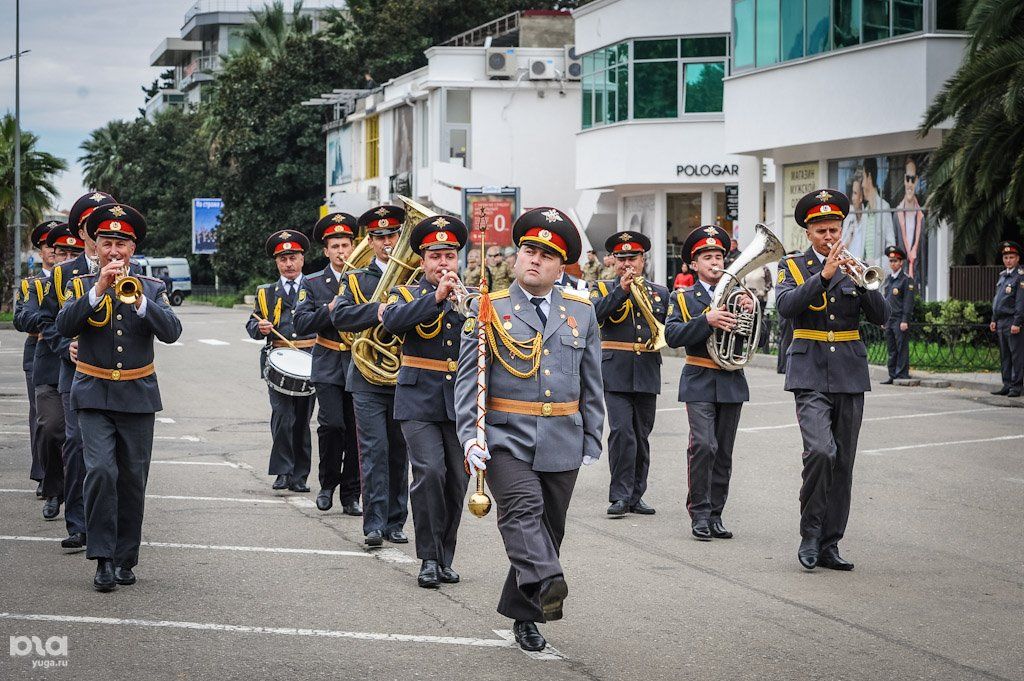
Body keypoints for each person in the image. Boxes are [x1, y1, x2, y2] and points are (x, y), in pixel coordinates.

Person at [457, 207, 604, 653]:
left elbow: (592, 379)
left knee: (547, 530)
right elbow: (469, 381)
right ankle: (547, 582)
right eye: (527, 251)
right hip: (506, 436)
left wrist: (594, 436)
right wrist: (470, 435)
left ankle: (524, 614)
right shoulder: (490, 308)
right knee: (522, 512)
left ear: (562, 266)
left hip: (563, 433)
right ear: (517, 258)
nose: (534, 259)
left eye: (546, 254)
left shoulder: (581, 312)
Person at [55, 203, 182, 592]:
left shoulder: (153, 287)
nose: (114, 252)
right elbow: (64, 325)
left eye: (121, 245)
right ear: (95, 247)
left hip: (138, 396)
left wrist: (140, 301)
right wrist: (98, 290)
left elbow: (172, 331)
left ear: (132, 250)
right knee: (100, 472)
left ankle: (126, 557)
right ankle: (102, 558)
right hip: (92, 394)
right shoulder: (81, 287)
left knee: (131, 479)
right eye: (107, 243)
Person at [776, 189, 888, 571]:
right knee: (821, 452)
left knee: (844, 463)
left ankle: (830, 543)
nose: (829, 236)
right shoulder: (791, 267)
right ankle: (809, 533)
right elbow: (786, 308)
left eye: (834, 229)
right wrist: (822, 277)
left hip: (849, 374)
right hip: (808, 372)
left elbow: (881, 316)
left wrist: (861, 283)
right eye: (821, 230)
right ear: (808, 233)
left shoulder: (857, 266)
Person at [381, 215, 471, 589]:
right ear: (422, 261)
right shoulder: (405, 295)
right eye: (435, 256)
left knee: (456, 482)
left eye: (449, 255)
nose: (443, 264)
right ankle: (428, 558)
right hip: (417, 400)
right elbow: (392, 324)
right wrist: (435, 298)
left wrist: (467, 308)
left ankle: (445, 556)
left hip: (459, 402)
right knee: (430, 473)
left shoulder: (470, 298)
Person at [665, 225, 751, 540]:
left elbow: (757, 341)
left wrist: (749, 314)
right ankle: (699, 513)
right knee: (703, 445)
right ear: (694, 264)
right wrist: (706, 320)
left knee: (724, 451)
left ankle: (716, 514)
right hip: (699, 376)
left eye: (718, 256)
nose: (714, 262)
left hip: (731, 379)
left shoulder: (740, 296)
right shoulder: (683, 297)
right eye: (707, 257)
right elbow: (672, 335)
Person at [331, 205, 410, 547]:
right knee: (374, 450)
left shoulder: (415, 276)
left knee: (399, 452)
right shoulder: (355, 278)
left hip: (403, 376)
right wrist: (377, 311)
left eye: (392, 235)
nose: (387, 242)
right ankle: (374, 523)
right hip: (365, 377)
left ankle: (396, 521)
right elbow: (341, 317)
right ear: (370, 241)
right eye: (379, 237)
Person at [590, 231, 667, 517]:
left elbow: (666, 327)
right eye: (621, 259)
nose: (627, 264)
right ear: (612, 261)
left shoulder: (659, 292)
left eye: (632, 258)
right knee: (622, 433)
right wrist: (621, 291)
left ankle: (636, 495)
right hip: (615, 370)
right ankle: (619, 496)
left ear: (643, 259)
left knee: (641, 435)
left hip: (647, 368)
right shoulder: (600, 288)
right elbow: (595, 314)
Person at [293, 214, 362, 514]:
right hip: (328, 362)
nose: (341, 252)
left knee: (358, 431)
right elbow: (301, 322)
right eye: (334, 246)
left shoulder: (365, 278)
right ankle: (327, 485)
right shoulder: (313, 282)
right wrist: (330, 308)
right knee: (332, 426)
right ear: (325, 251)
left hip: (360, 363)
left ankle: (351, 495)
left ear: (354, 246)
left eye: (345, 245)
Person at [245, 230, 317, 492]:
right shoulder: (266, 293)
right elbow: (251, 325)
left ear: (302, 259)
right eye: (283, 259)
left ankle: (300, 476)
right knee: (282, 417)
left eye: (293, 258)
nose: (288, 264)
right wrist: (260, 328)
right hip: (278, 364)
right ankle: (283, 472)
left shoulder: (315, 288)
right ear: (277, 262)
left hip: (309, 361)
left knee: (302, 420)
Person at [41, 218, 94, 550]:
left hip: (116, 377)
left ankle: (108, 522)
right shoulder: (64, 273)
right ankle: (78, 523)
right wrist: (64, 346)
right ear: (83, 233)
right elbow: (45, 318)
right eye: (91, 226)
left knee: (109, 455)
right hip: (73, 373)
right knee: (75, 445)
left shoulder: (132, 270)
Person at [14, 220, 58, 496]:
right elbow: (22, 317)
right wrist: (46, 326)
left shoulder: (76, 277)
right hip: (38, 352)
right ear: (40, 250)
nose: (53, 251)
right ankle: (43, 473)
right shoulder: (32, 284)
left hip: (73, 354)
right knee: (41, 418)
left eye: (58, 246)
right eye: (48, 246)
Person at [990, 241, 1023, 397]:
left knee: (1016, 355)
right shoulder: (1003, 276)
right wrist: (993, 319)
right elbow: (998, 300)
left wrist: (1017, 322)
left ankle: (1017, 386)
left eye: (1011, 257)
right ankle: (1007, 384)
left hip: (1012, 321)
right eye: (1006, 257)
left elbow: (1020, 302)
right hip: (1001, 321)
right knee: (1005, 355)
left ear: (1017, 259)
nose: (1008, 260)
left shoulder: (1020, 277)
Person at [881, 245, 915, 384]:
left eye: (895, 261)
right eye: (891, 261)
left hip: (900, 319)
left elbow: (908, 302)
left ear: (901, 262)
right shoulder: (889, 279)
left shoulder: (906, 280)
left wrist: (905, 320)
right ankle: (892, 374)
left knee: (901, 347)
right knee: (891, 348)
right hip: (889, 319)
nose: (892, 263)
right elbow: (885, 300)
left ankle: (902, 373)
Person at [894, 158, 925, 280]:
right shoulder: (897, 215)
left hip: (917, 275)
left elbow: (923, 253)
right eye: (908, 179)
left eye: (912, 179)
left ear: (916, 181)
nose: (910, 184)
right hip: (901, 274)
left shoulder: (921, 217)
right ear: (904, 180)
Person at [861, 158, 895, 266]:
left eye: (863, 178)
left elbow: (891, 246)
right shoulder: (865, 212)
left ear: (869, 177)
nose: (862, 184)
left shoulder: (884, 208)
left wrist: (875, 264)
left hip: (878, 276)